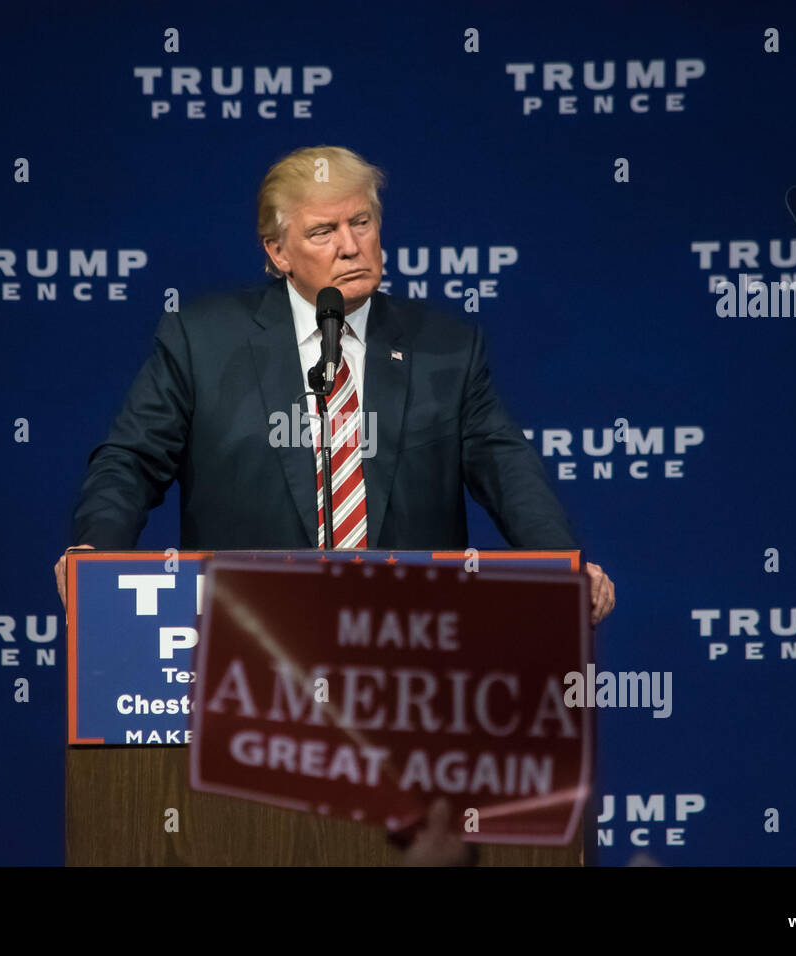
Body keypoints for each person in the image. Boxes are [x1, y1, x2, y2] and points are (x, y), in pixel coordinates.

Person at [57, 145, 614, 624]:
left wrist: (560, 564)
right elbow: (130, 460)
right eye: (323, 231)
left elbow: (507, 467)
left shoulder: (446, 347)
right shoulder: (203, 342)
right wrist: (96, 553)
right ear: (278, 254)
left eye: (362, 223)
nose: (350, 246)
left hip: (410, 641)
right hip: (248, 636)